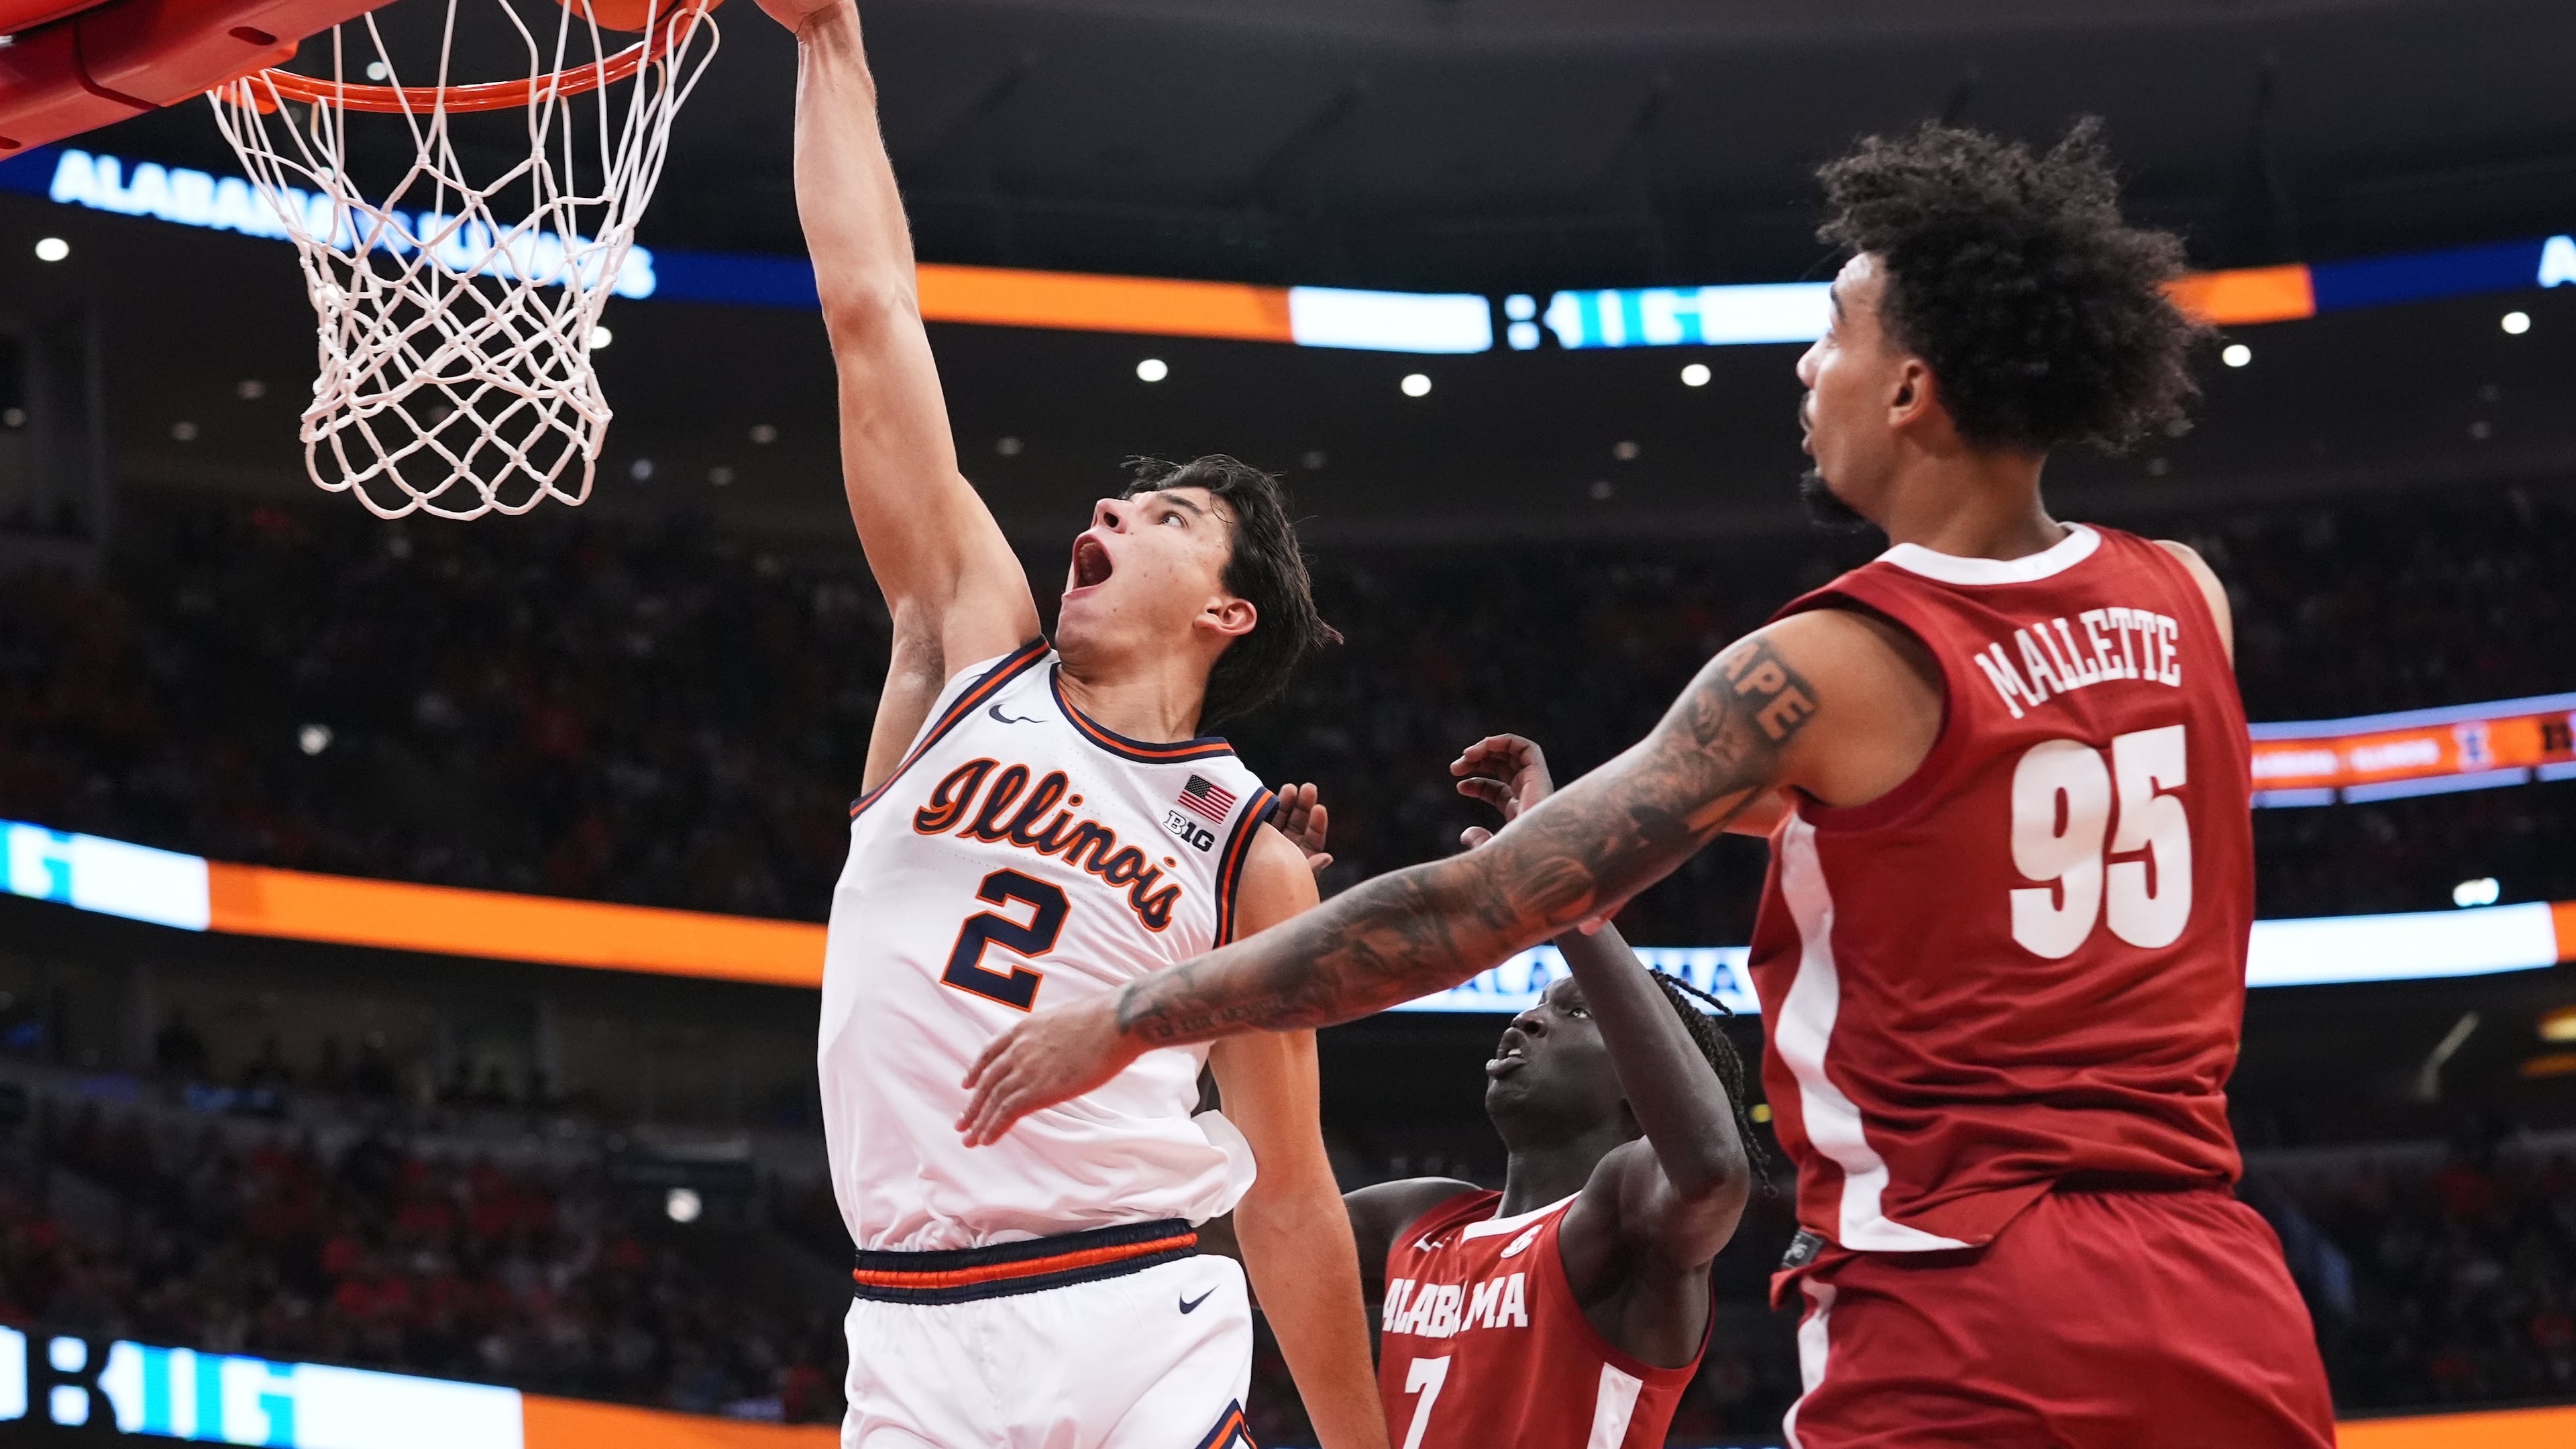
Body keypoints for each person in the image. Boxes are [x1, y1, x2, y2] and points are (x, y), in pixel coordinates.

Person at [962, 120, 2339, 1447]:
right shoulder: (2187, 601)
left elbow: (1476, 907)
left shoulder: (1829, 664)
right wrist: (1613, 808)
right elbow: (1970, 805)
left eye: (1834, 337)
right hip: (2219, 1284)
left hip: (1968, 1298)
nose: (1808, 370)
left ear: (1912, 390)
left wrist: (1136, 1013)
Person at [749, 1, 1384, 1445]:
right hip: (903, 1326)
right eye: (1115, 499)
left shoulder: (1248, 851)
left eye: (1165, 518)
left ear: (1229, 616)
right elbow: (871, 318)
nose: (1103, 513)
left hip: (1127, 1308)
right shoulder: (967, 650)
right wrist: (828, 44)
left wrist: (1363, 1441)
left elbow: (1286, 1191)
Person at [1347, 735, 1756, 1449]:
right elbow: (1236, 1232)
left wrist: (1567, 897)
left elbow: (1711, 1170)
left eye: (1575, 1011)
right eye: (1537, 1003)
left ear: (1642, 1079)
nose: (1528, 1017)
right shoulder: (1418, 1217)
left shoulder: (1627, 1214)